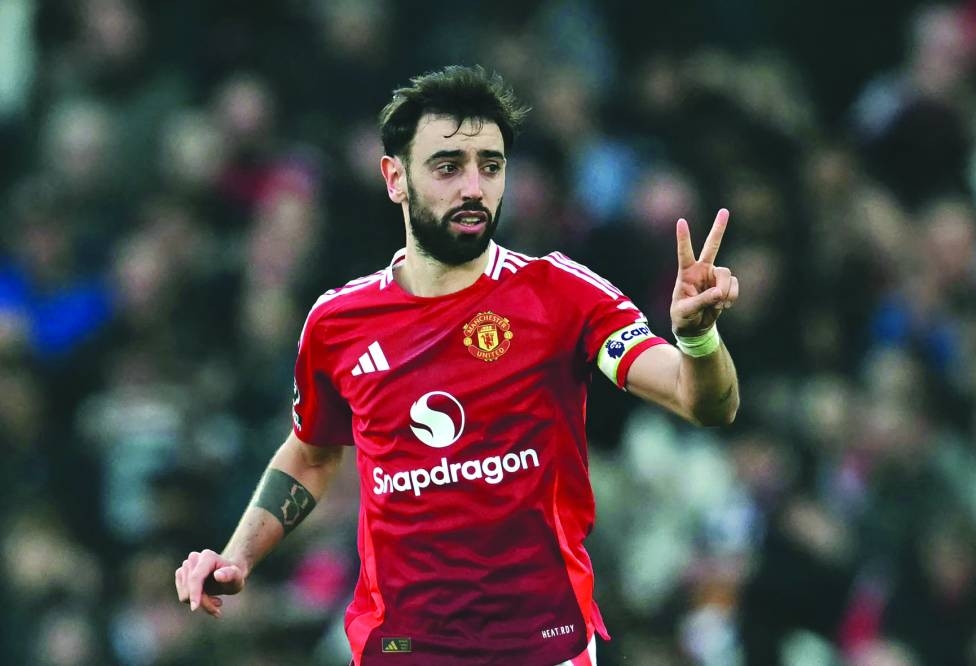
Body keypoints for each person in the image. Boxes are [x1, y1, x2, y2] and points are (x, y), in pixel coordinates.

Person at [175, 65, 740, 666]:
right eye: (448, 167)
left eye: (490, 167)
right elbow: (312, 454)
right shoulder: (338, 323)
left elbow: (704, 402)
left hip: (541, 648)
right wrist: (238, 557)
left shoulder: (561, 294)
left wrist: (698, 339)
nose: (474, 187)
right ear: (395, 178)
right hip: (403, 649)